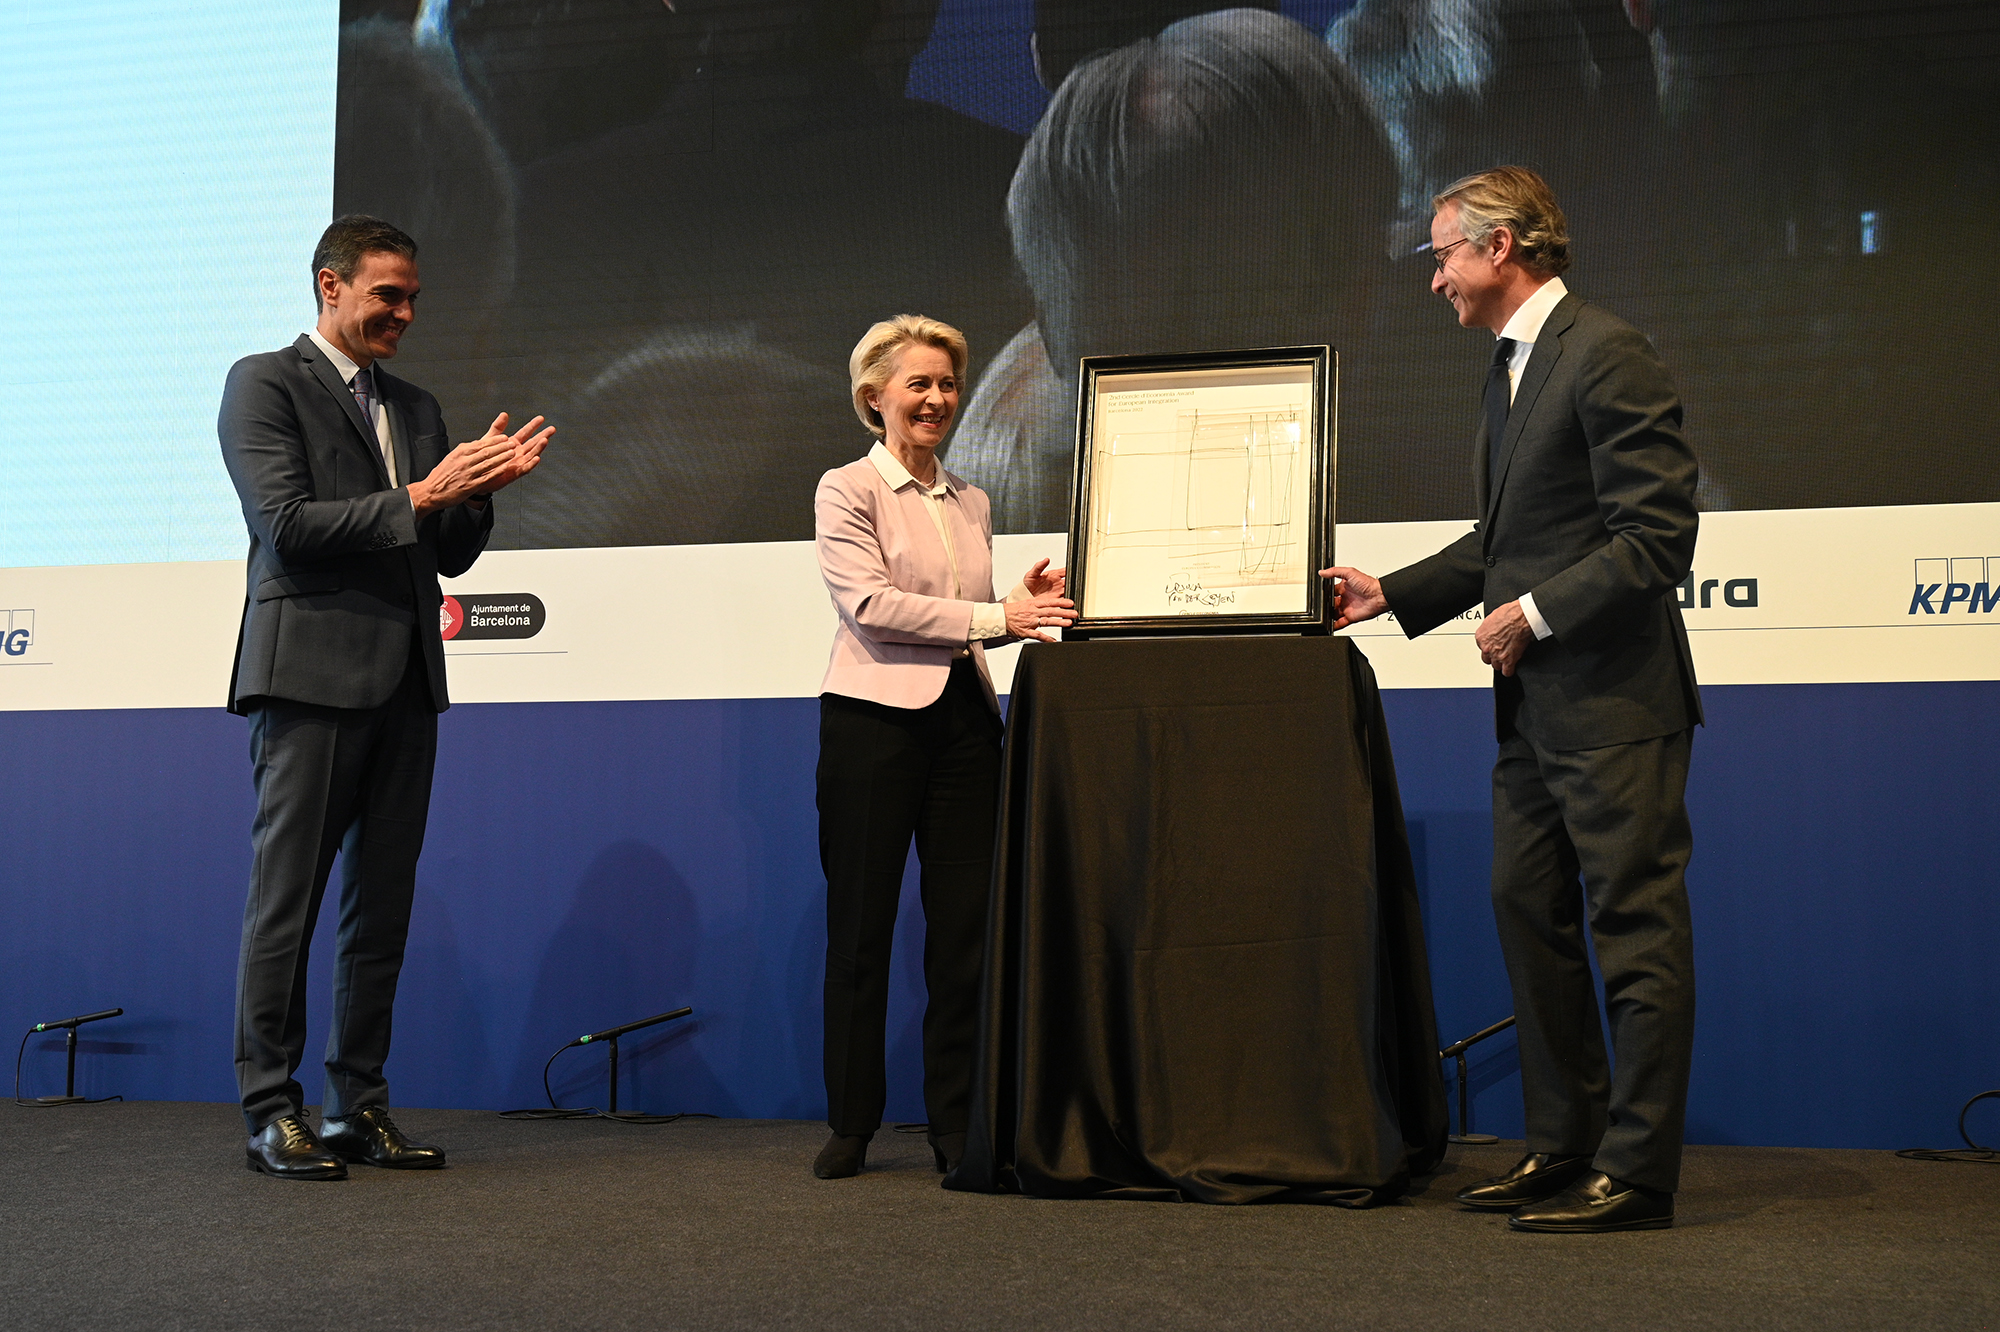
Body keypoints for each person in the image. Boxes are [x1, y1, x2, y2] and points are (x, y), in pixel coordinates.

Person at [1324, 167, 1702, 1233]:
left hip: (1615, 706)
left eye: (1440, 253)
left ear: (1499, 248)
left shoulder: (1604, 352)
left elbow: (1654, 540)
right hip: (1535, 718)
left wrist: (1530, 614)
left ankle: (1634, 1173)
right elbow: (1507, 540)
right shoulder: (1512, 366)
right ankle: (1561, 1146)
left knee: (1632, 930)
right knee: (1524, 912)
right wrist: (1390, 593)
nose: (1432, 277)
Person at [220, 215, 553, 1180]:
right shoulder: (263, 382)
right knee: (288, 906)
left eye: (413, 298)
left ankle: (355, 1106)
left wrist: (478, 490)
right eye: (387, 296)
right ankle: (269, 1108)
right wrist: (426, 493)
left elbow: (445, 550)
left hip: (409, 679)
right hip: (308, 678)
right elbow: (287, 527)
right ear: (331, 286)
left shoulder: (415, 403)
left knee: (382, 908)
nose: (405, 313)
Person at [811, 315, 1077, 1180]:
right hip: (872, 728)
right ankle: (851, 1125)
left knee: (964, 937)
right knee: (861, 931)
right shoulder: (845, 489)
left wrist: (1015, 602)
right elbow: (875, 608)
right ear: (874, 398)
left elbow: (961, 626)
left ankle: (956, 1125)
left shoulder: (973, 498)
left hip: (966, 728)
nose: (936, 400)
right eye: (917, 385)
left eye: (946, 385)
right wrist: (1001, 616)